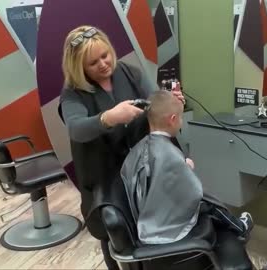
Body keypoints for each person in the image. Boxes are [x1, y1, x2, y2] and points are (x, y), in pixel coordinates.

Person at [58, 25, 185, 270]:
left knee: (150, 228)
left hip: (142, 169)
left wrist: (170, 102)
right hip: (105, 176)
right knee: (115, 235)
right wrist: (109, 117)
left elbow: (154, 103)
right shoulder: (72, 94)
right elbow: (76, 129)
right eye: (93, 62)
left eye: (105, 55)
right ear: (79, 67)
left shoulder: (129, 72)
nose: (104, 64)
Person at [121, 90, 253, 245]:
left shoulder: (141, 146)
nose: (181, 122)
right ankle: (240, 227)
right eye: (181, 118)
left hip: (148, 210)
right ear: (173, 119)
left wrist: (180, 167)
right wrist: (186, 168)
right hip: (164, 224)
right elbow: (193, 192)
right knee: (209, 202)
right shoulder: (168, 153)